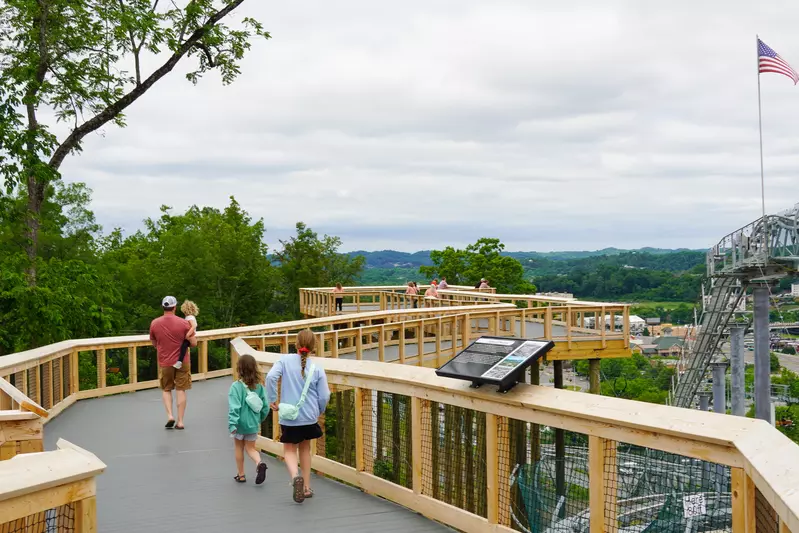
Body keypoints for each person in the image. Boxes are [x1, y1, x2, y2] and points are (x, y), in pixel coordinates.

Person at [266, 329, 330, 503]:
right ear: (313, 347)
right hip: (309, 416)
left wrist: (272, 399)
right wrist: (319, 409)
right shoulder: (317, 368)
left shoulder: (284, 361)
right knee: (305, 450)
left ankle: (295, 477)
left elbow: (271, 377)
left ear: (296, 344)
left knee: (289, 450)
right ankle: (307, 487)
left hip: (289, 416)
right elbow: (324, 395)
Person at [150, 296, 197, 430]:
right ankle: (180, 421)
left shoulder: (154, 323)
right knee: (181, 389)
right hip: (182, 361)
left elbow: (154, 342)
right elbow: (193, 343)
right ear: (175, 307)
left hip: (165, 361)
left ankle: (170, 415)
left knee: (166, 388)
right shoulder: (184, 323)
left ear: (163, 307)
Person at [228, 354, 270, 484]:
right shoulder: (259, 387)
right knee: (251, 449)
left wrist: (232, 424)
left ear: (239, 369)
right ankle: (259, 462)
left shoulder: (236, 387)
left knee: (239, 448)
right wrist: (259, 419)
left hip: (240, 424)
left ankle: (241, 475)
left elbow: (234, 407)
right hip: (252, 424)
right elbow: (265, 407)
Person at [174, 300, 199, 370]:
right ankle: (179, 361)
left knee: (183, 347)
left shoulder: (190, 317)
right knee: (183, 347)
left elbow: (194, 326)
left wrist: (188, 335)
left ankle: (179, 361)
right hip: (189, 336)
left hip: (190, 336)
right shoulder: (190, 317)